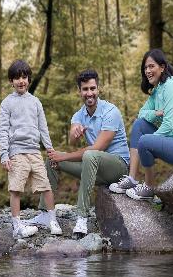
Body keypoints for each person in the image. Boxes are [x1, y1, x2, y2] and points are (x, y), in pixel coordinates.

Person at [34, 68, 130, 237]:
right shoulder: (78, 115)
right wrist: (74, 133)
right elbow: (72, 141)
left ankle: (82, 217)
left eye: (92, 88)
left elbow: (98, 147)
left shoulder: (111, 112)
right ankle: (45, 213)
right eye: (85, 89)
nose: (89, 93)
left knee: (89, 154)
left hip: (118, 167)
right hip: (94, 168)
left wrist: (64, 156)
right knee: (52, 159)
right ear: (79, 91)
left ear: (98, 89)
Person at [109, 48, 173, 201]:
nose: (147, 71)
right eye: (145, 67)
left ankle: (149, 187)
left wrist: (150, 143)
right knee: (139, 125)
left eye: (151, 66)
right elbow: (141, 113)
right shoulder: (157, 91)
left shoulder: (171, 86)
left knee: (145, 141)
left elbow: (169, 125)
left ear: (162, 67)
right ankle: (132, 178)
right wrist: (155, 113)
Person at [0, 59, 62, 238]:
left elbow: (43, 128)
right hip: (16, 152)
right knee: (16, 188)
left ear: (28, 79)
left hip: (34, 151)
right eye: (17, 78)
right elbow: (3, 129)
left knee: (46, 186)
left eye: (24, 77)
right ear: (11, 81)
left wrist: (49, 149)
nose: (21, 81)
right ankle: (17, 225)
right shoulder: (7, 103)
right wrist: (4, 154)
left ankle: (52, 220)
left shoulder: (35, 102)